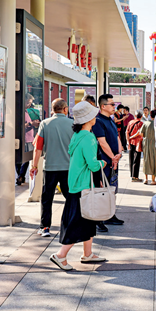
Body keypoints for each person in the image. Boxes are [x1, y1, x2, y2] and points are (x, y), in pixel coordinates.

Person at [49, 101, 107, 271]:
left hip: (76, 183)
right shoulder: (88, 137)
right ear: (88, 119)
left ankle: (87, 254)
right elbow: (93, 165)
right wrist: (103, 163)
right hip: (84, 185)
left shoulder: (78, 135)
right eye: (93, 115)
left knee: (88, 220)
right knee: (78, 222)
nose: (96, 117)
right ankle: (60, 255)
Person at [29, 99, 73, 238]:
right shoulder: (72, 124)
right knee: (70, 197)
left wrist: (34, 165)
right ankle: (71, 225)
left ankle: (45, 227)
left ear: (53, 109)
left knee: (47, 198)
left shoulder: (45, 123)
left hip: (50, 167)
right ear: (65, 109)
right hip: (68, 167)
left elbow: (38, 148)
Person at [92, 94, 125, 232]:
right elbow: (102, 142)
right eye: (112, 104)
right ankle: (98, 220)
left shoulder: (111, 120)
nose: (114, 107)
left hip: (113, 162)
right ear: (103, 106)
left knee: (112, 189)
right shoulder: (98, 121)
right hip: (104, 162)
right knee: (102, 190)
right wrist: (113, 157)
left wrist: (119, 153)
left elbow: (117, 137)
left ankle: (110, 215)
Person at [16, 93, 40, 185]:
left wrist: (33, 123)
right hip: (24, 138)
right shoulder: (19, 111)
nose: (29, 104)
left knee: (27, 158)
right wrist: (31, 124)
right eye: (28, 102)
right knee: (24, 159)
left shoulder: (27, 111)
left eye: (30, 103)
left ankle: (20, 176)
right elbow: (19, 125)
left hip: (29, 138)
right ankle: (20, 175)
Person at [141, 109, 156, 185]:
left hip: (146, 143)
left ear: (150, 116)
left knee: (146, 160)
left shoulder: (146, 123)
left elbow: (141, 134)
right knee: (154, 160)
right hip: (155, 143)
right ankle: (153, 180)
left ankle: (146, 179)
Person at [126, 110, 144, 182]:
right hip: (137, 143)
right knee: (136, 160)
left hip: (131, 142)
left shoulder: (130, 122)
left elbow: (127, 132)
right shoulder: (141, 123)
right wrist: (131, 137)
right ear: (141, 116)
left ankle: (132, 175)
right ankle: (135, 177)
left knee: (131, 159)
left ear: (135, 115)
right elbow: (139, 133)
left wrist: (128, 141)